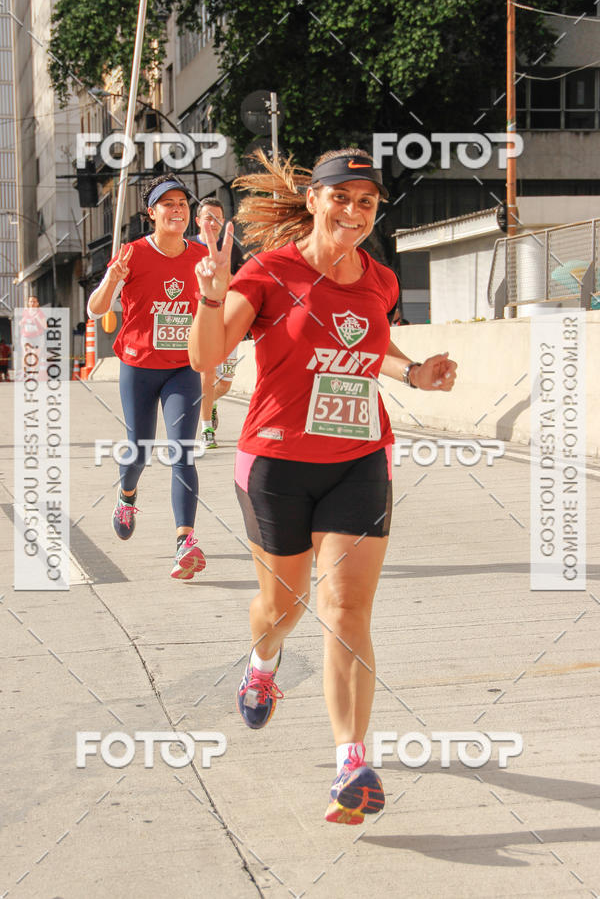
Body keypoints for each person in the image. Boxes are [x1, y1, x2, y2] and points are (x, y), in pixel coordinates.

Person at [188, 149, 457, 824]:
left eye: (367, 201)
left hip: (359, 460)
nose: (355, 211)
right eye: (343, 196)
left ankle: (351, 762)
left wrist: (414, 372)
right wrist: (212, 295)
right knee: (284, 610)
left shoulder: (381, 281)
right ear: (314, 201)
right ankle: (263, 660)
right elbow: (209, 355)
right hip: (277, 463)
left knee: (346, 612)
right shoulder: (269, 271)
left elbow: (372, 350)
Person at [88, 174, 209, 580]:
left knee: (183, 452)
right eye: (167, 203)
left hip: (182, 369)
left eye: (182, 203)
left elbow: (219, 305)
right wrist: (113, 278)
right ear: (150, 212)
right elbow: (94, 308)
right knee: (139, 450)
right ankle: (126, 496)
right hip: (139, 367)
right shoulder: (132, 253)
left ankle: (185, 542)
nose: (177, 209)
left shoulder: (201, 256)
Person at [194, 197, 243, 448]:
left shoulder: (232, 248)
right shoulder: (188, 247)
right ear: (197, 221)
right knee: (207, 374)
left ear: (222, 222)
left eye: (216, 218)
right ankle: (206, 430)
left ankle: (210, 403)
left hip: (227, 319)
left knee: (224, 383)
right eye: (207, 218)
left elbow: (243, 282)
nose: (211, 223)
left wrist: (225, 275)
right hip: (201, 319)